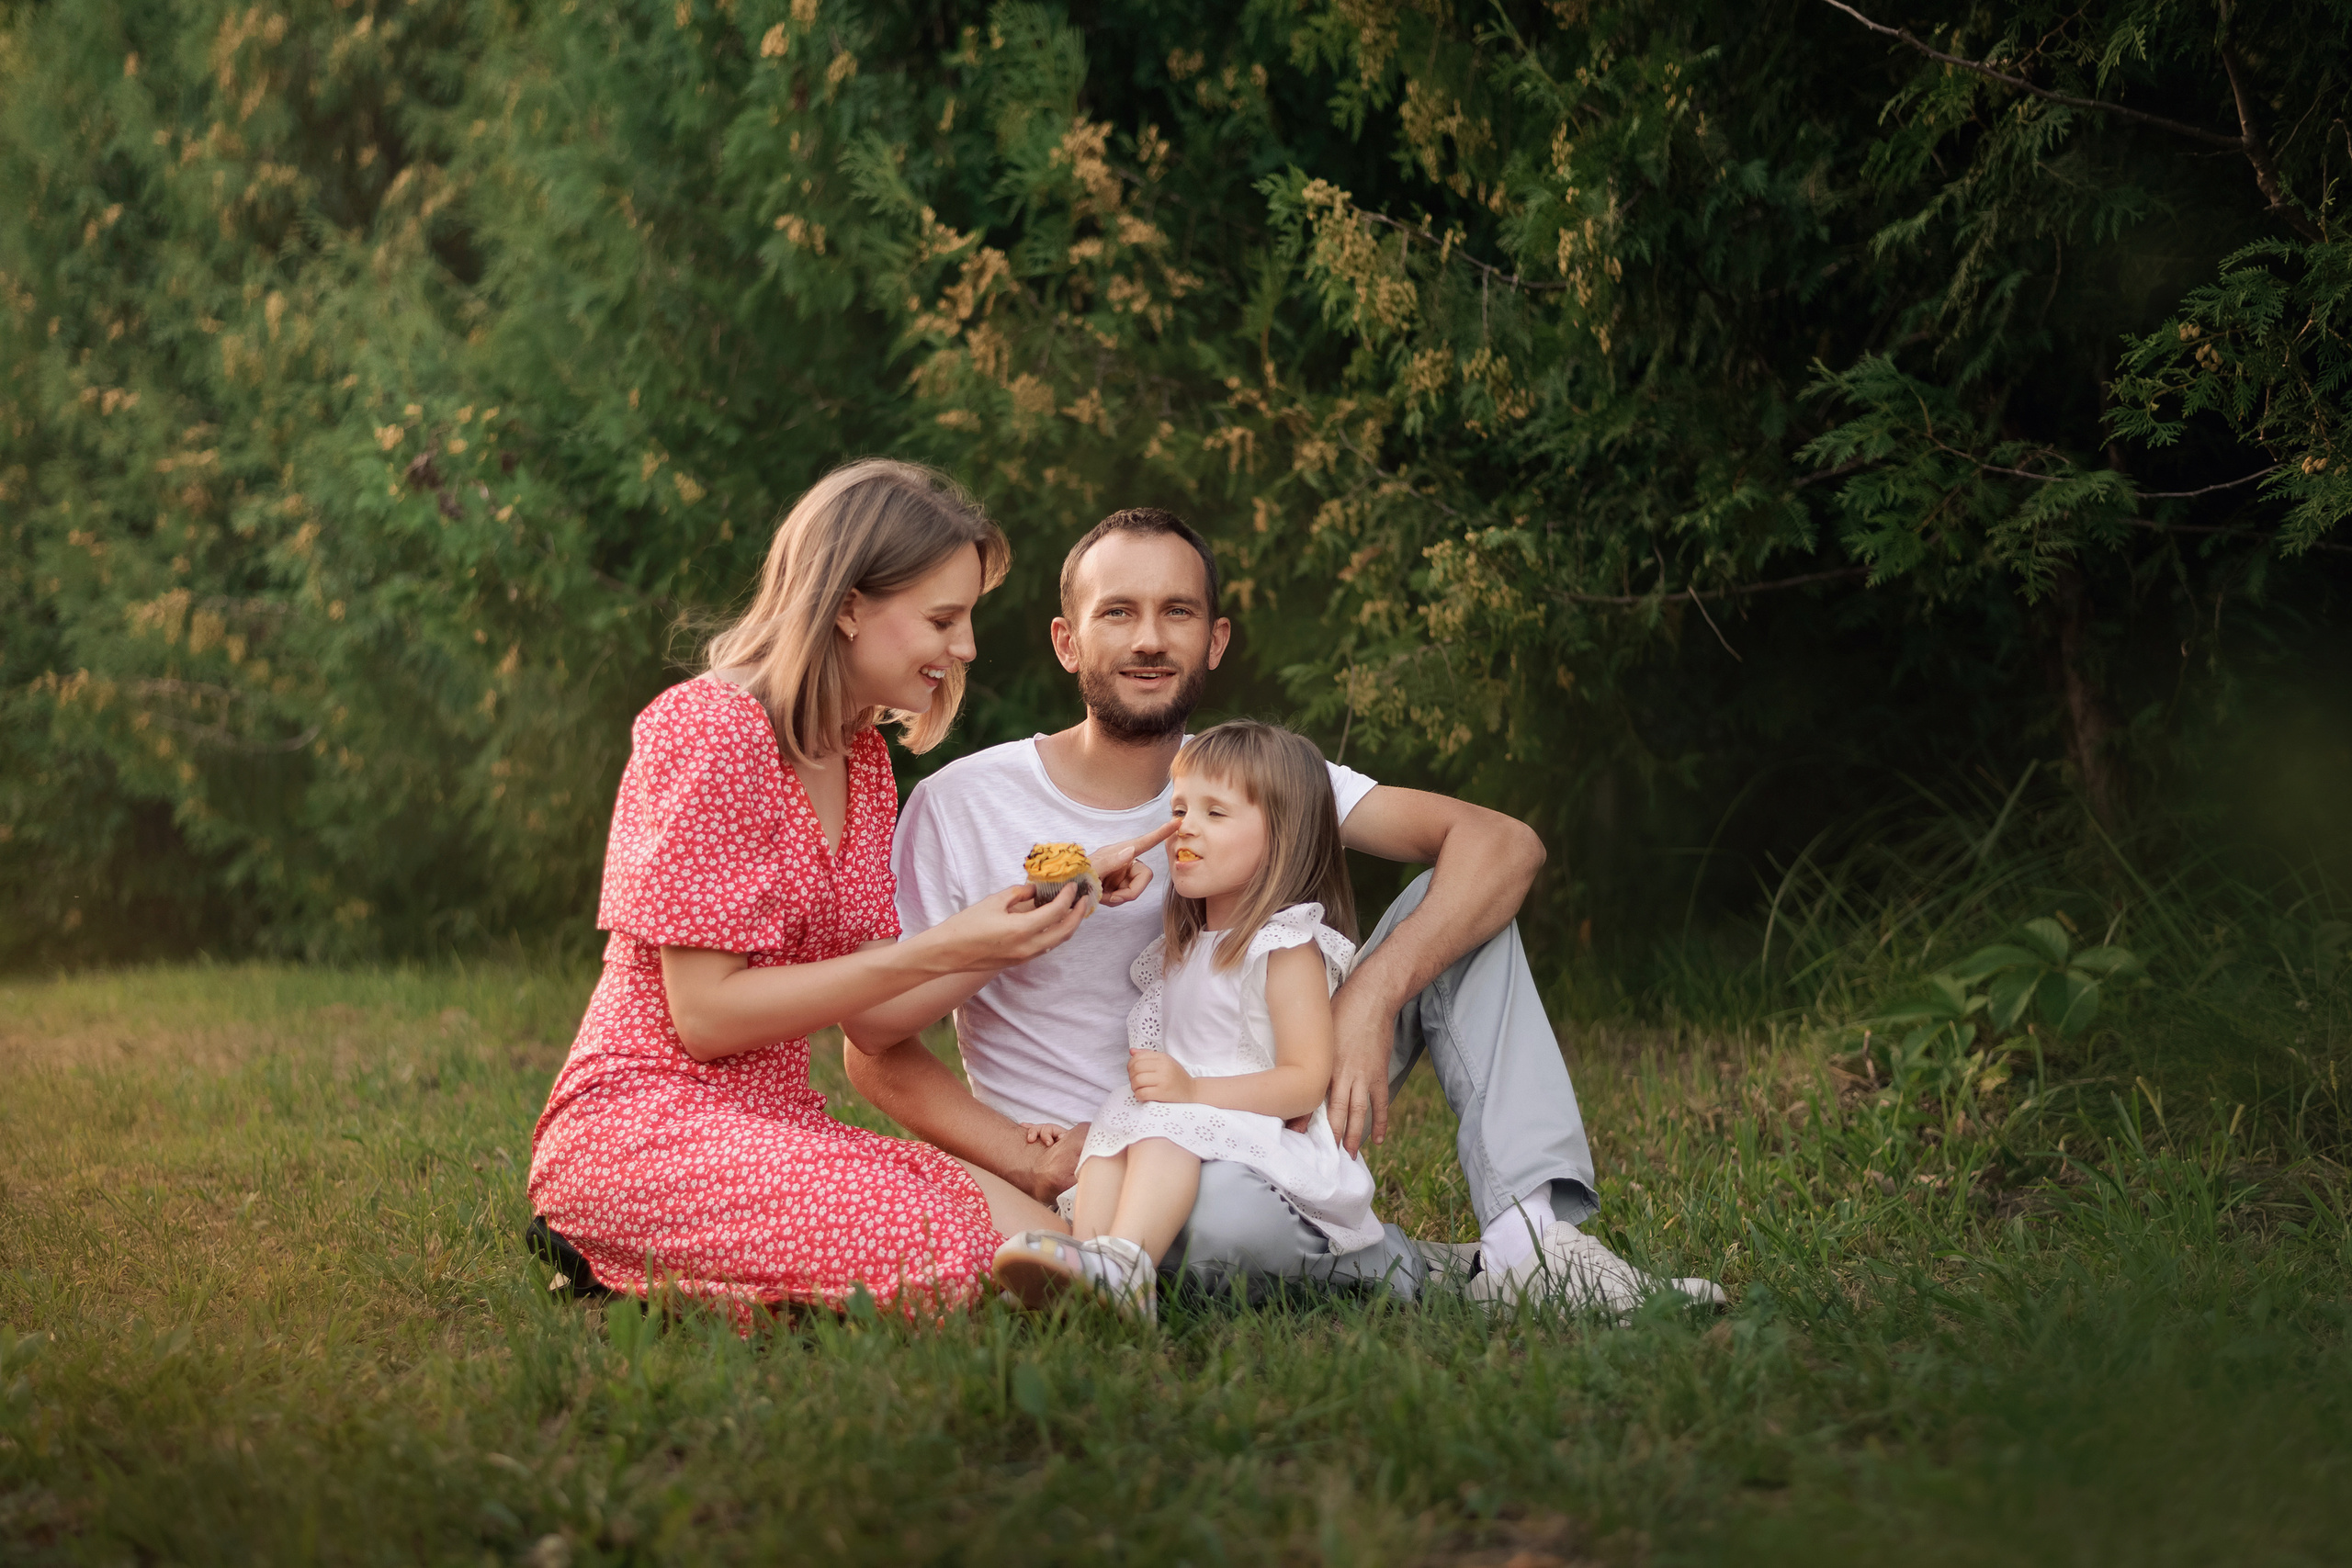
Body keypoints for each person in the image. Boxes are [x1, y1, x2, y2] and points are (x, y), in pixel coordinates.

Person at [851, 507, 1724, 1312]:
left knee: (1459, 906)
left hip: (1275, 1106)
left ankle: (1533, 1236)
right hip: (1111, 1165)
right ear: (1066, 641)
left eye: (1178, 611)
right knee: (1216, 1220)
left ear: (1216, 639)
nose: (1150, 638)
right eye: (1117, 612)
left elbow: (1504, 845)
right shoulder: (961, 805)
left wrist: (1372, 993)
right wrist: (1024, 1158)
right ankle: (1434, 1273)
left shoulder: (1253, 777)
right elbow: (874, 1049)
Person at [526, 460, 1144, 1319]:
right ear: (849, 603)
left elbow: (873, 1020)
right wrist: (941, 945)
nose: (966, 647)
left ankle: (678, 1269)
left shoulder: (863, 762)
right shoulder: (710, 729)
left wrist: (1027, 924)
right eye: (943, 618)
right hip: (644, 1126)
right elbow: (705, 1017)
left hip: (776, 1125)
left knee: (1044, 1243)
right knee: (963, 1254)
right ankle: (614, 1244)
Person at [990, 722, 1380, 1322]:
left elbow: (1305, 1082)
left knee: (1162, 1124)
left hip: (1263, 1140)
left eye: (1214, 812)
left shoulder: (1284, 944)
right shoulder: (1184, 948)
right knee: (1114, 1131)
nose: (1184, 828)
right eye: (1178, 809)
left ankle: (1125, 1264)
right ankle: (1086, 1261)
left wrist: (1193, 1092)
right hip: (1188, 1123)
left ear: (1283, 835)